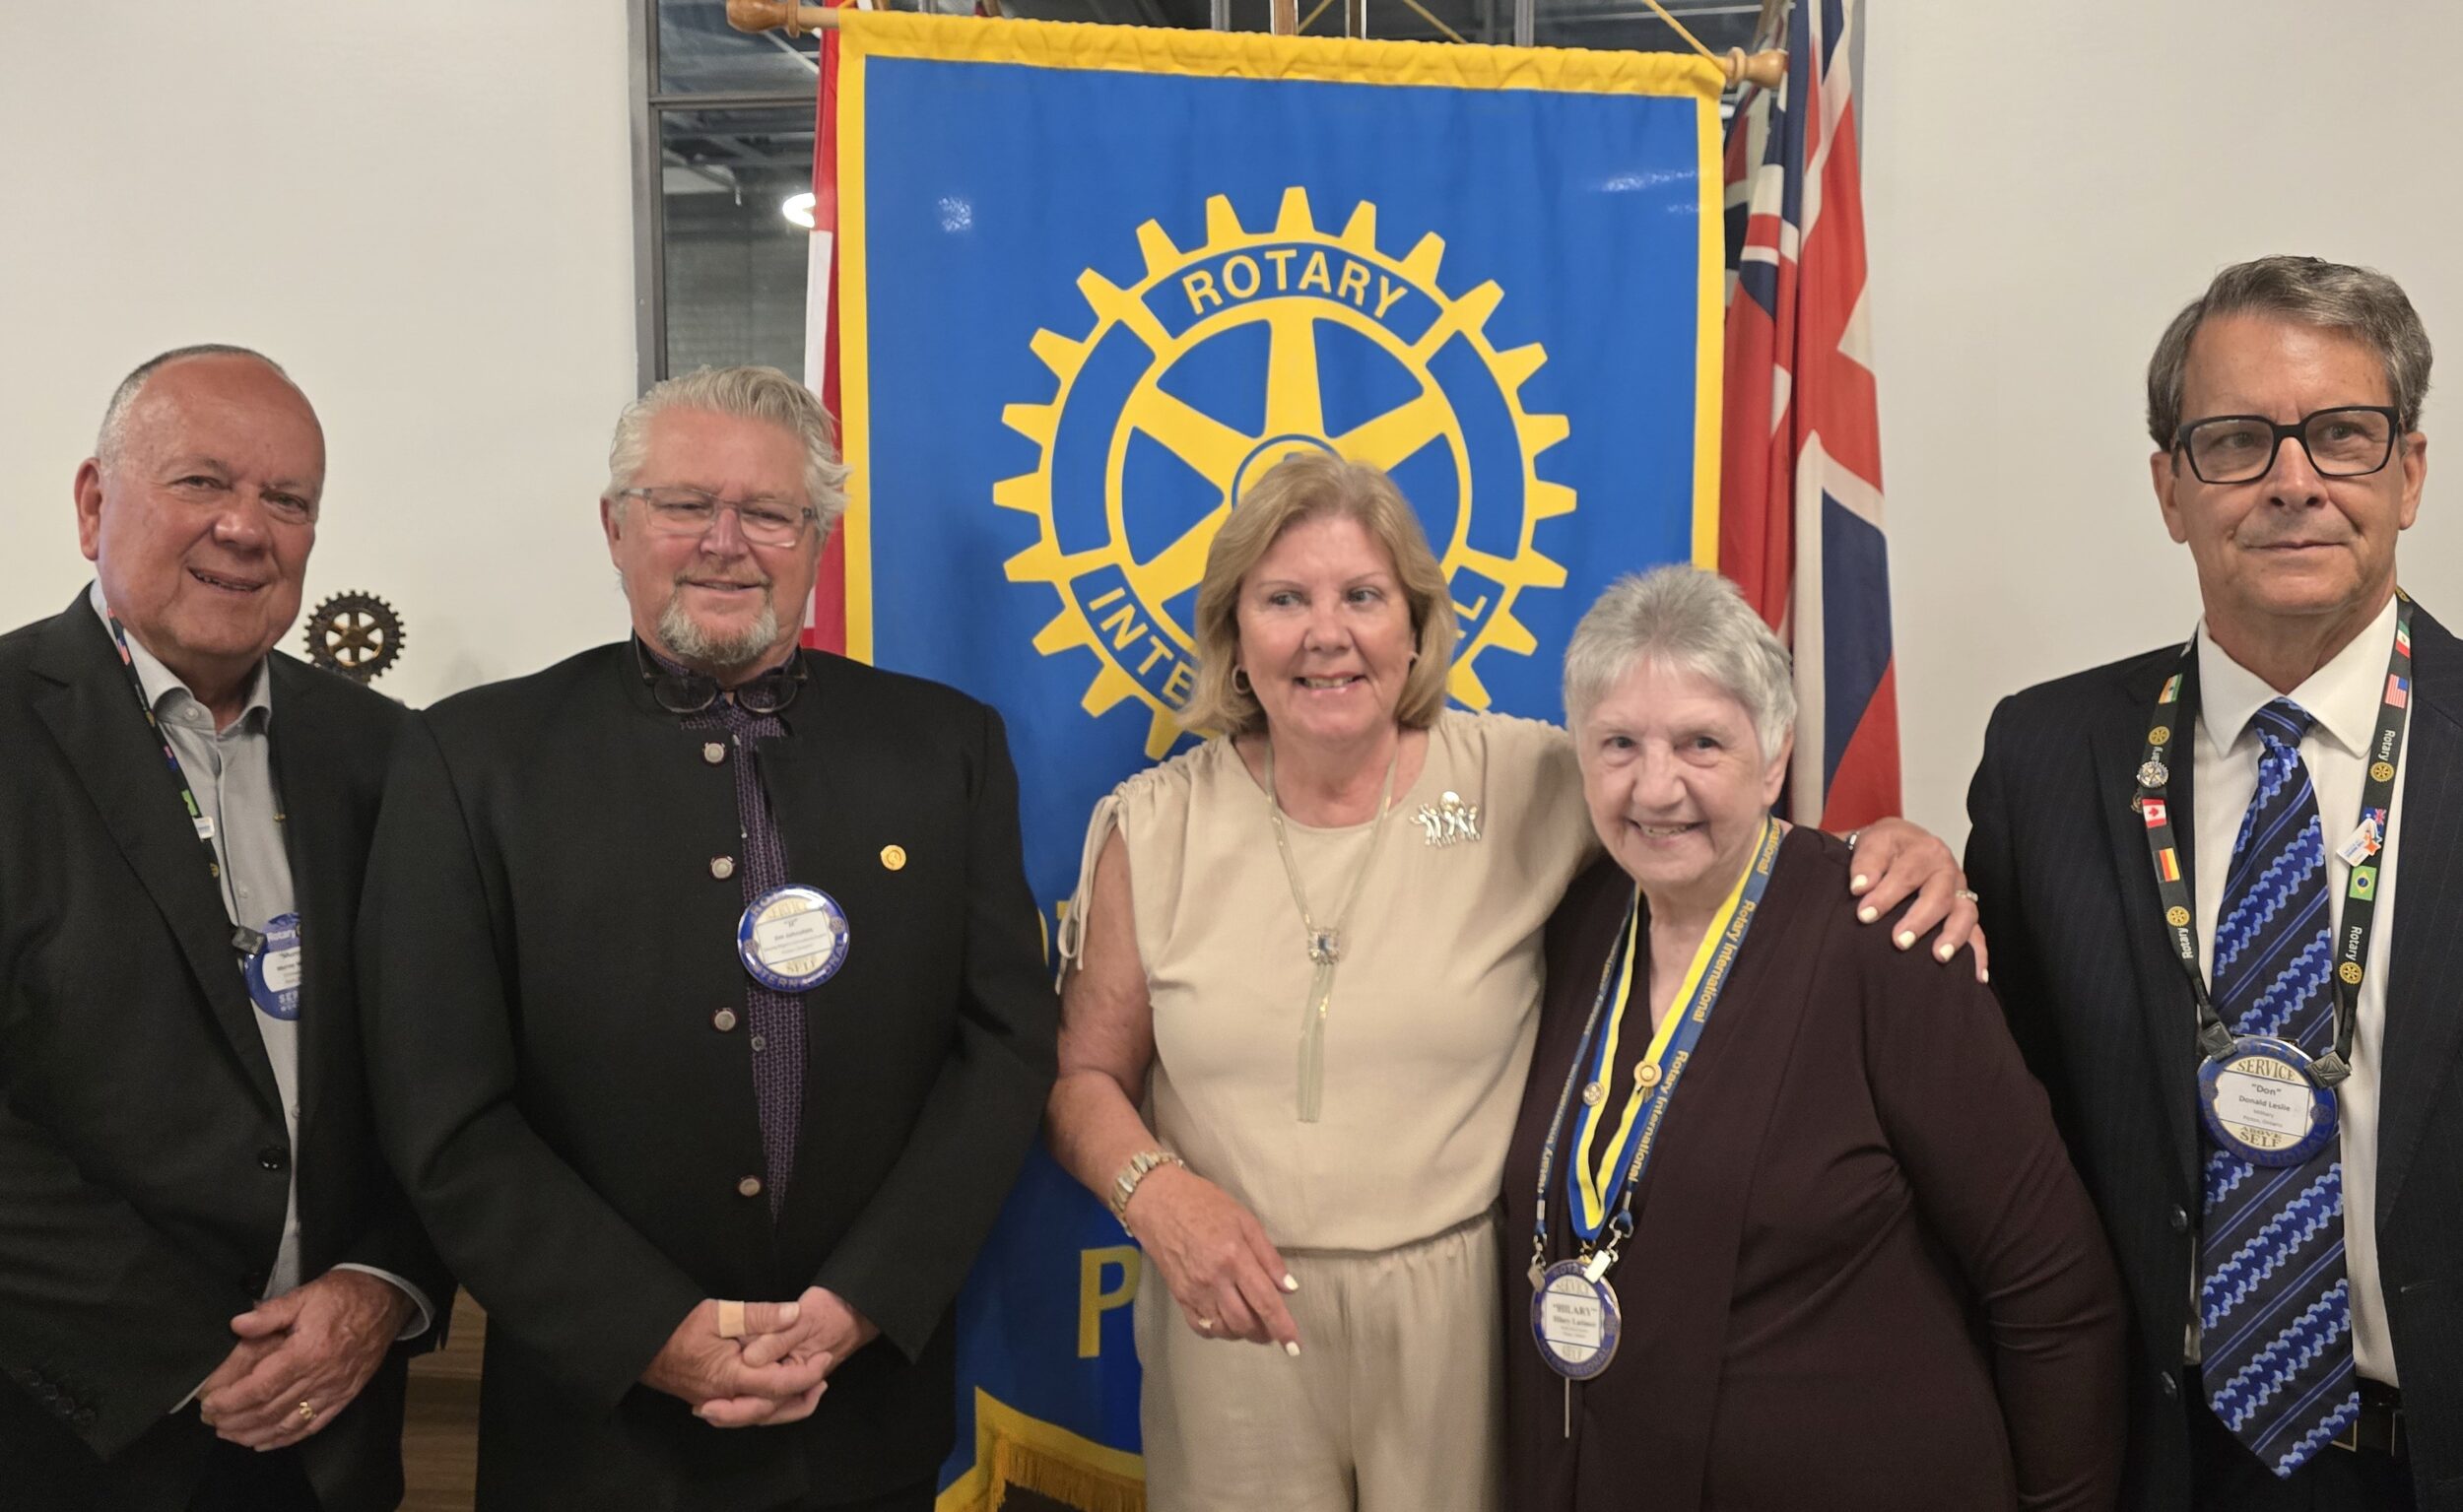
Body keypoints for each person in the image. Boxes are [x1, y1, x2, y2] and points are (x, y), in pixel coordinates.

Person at [1045, 451, 1983, 1511]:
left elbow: (1706, 820)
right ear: (1232, 630)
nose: (1326, 634)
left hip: (1465, 1322)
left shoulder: (1515, 782)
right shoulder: (1152, 826)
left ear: (1415, 625)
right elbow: (1082, 1079)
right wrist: (1156, 1195)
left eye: (1362, 596)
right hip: (1229, 1318)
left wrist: (1885, 846)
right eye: (1284, 599)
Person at [358, 364, 1055, 1512]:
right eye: (685, 503)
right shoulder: (471, 760)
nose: (724, 543)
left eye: (768, 512)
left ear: (818, 538)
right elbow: (441, 1106)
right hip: (593, 1435)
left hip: (862, 1417)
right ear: (614, 525)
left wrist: (864, 1300)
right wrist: (647, 1329)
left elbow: (1003, 1047)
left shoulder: (947, 747)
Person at [1966, 254, 2458, 1507]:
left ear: (2407, 472)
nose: (2292, 481)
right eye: (2236, 441)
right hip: (2159, 1460)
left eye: (2340, 434)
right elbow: (1997, 1128)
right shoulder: (2043, 759)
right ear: (2170, 490)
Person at [1502, 564, 2124, 1510]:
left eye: (1701, 742)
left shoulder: (1891, 938)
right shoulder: (1570, 923)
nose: (1656, 786)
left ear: (1775, 753)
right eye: (1619, 743)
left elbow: (2054, 1292)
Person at [0, 346, 446, 1511]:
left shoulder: (390, 755)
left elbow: (448, 1064)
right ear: (93, 502)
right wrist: (190, 1351)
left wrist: (382, 1279)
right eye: (202, 481)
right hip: (64, 1438)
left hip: (332, 1434)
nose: (246, 528)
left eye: (286, 499)